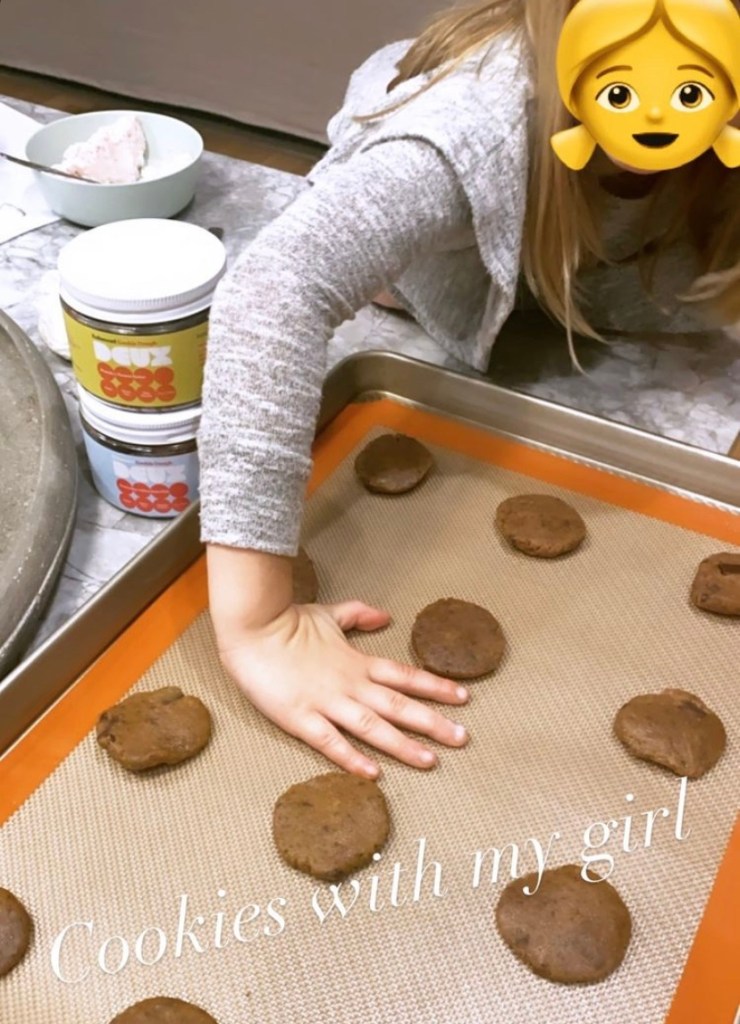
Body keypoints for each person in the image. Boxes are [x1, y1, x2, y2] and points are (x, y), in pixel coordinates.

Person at [198, 0, 740, 780]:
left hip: (579, 285)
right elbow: (275, 289)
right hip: (432, 266)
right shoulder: (476, 126)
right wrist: (260, 625)